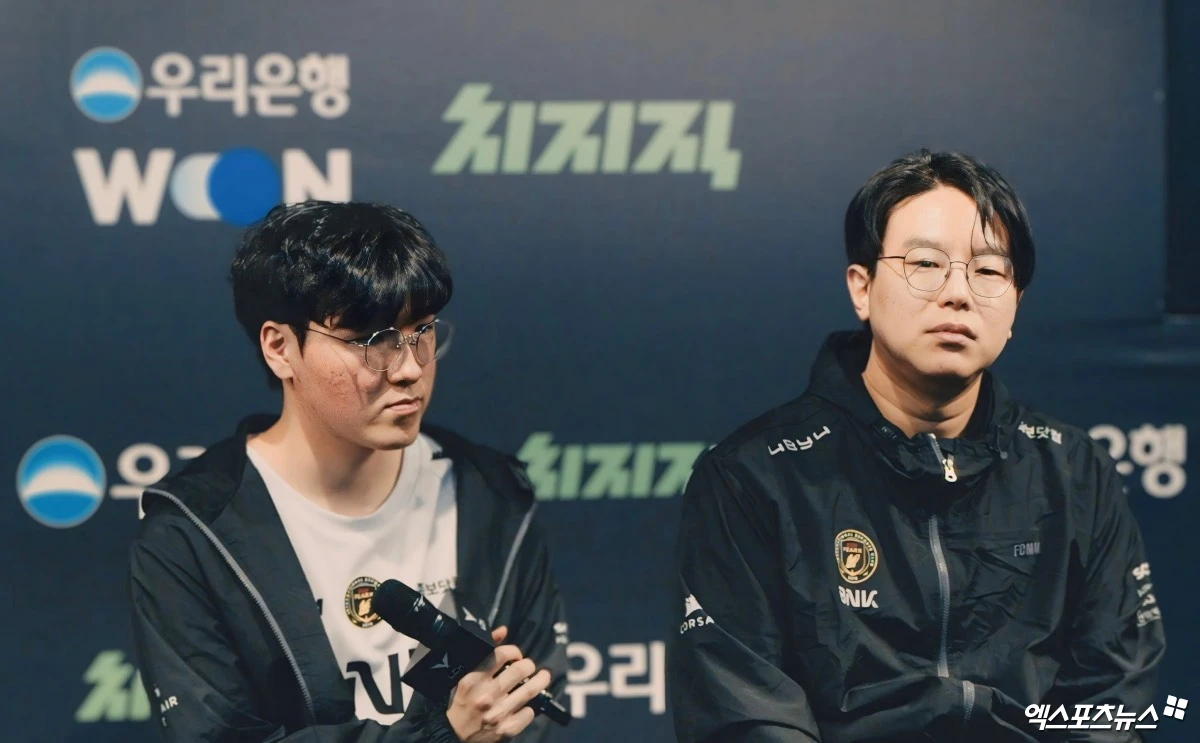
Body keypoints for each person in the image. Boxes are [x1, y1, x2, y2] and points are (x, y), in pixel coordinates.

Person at [669, 150, 1166, 741]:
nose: (958, 293)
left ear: (1015, 305)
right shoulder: (753, 477)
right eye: (926, 263)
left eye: (988, 271)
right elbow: (748, 717)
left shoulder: (1074, 471)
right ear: (862, 288)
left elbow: (1112, 702)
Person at [129, 201, 568, 742]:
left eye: (422, 330)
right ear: (280, 348)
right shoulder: (193, 532)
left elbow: (537, 717)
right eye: (371, 341)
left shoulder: (491, 494)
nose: (410, 368)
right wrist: (440, 736)